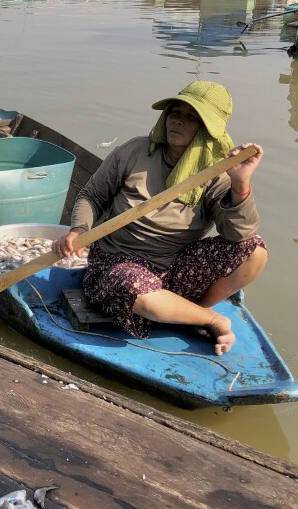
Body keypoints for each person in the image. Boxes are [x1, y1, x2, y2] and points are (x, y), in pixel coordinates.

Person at [54, 81, 266, 355]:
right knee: (133, 287)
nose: (177, 120)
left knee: (255, 251)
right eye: (174, 112)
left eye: (191, 117)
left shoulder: (217, 173)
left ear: (207, 130)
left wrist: (240, 184)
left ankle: (195, 309)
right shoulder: (134, 152)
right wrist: (78, 231)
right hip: (116, 262)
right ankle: (209, 318)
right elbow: (91, 196)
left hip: (174, 266)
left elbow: (238, 234)